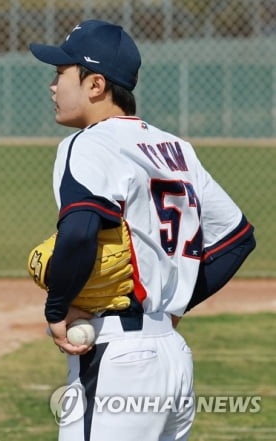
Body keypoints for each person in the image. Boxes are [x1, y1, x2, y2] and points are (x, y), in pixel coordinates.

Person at [29, 20, 256, 441]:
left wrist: (57, 308)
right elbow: (238, 237)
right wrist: (174, 306)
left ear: (95, 84)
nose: (53, 86)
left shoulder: (89, 143)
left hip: (119, 360)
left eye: (61, 73)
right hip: (172, 358)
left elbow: (80, 232)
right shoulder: (177, 148)